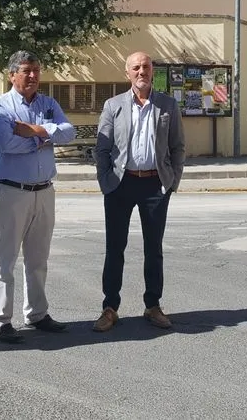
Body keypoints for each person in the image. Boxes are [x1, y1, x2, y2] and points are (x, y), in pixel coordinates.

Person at [0, 50, 76, 342]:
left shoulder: (48, 104)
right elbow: (6, 143)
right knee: (5, 257)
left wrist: (35, 131)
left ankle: (37, 314)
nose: (34, 76)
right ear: (12, 74)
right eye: (26, 71)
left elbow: (69, 132)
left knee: (38, 258)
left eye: (36, 70)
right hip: (13, 191)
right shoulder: (0, 106)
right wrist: (44, 140)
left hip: (44, 190)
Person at [92, 51, 186, 332]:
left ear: (152, 71)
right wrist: (105, 181)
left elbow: (178, 146)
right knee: (115, 248)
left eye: (146, 67)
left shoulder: (167, 105)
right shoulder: (113, 105)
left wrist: (172, 182)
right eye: (136, 67)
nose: (141, 71)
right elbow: (102, 148)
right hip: (120, 184)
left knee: (153, 249)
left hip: (155, 185)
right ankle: (110, 308)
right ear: (127, 73)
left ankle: (153, 305)